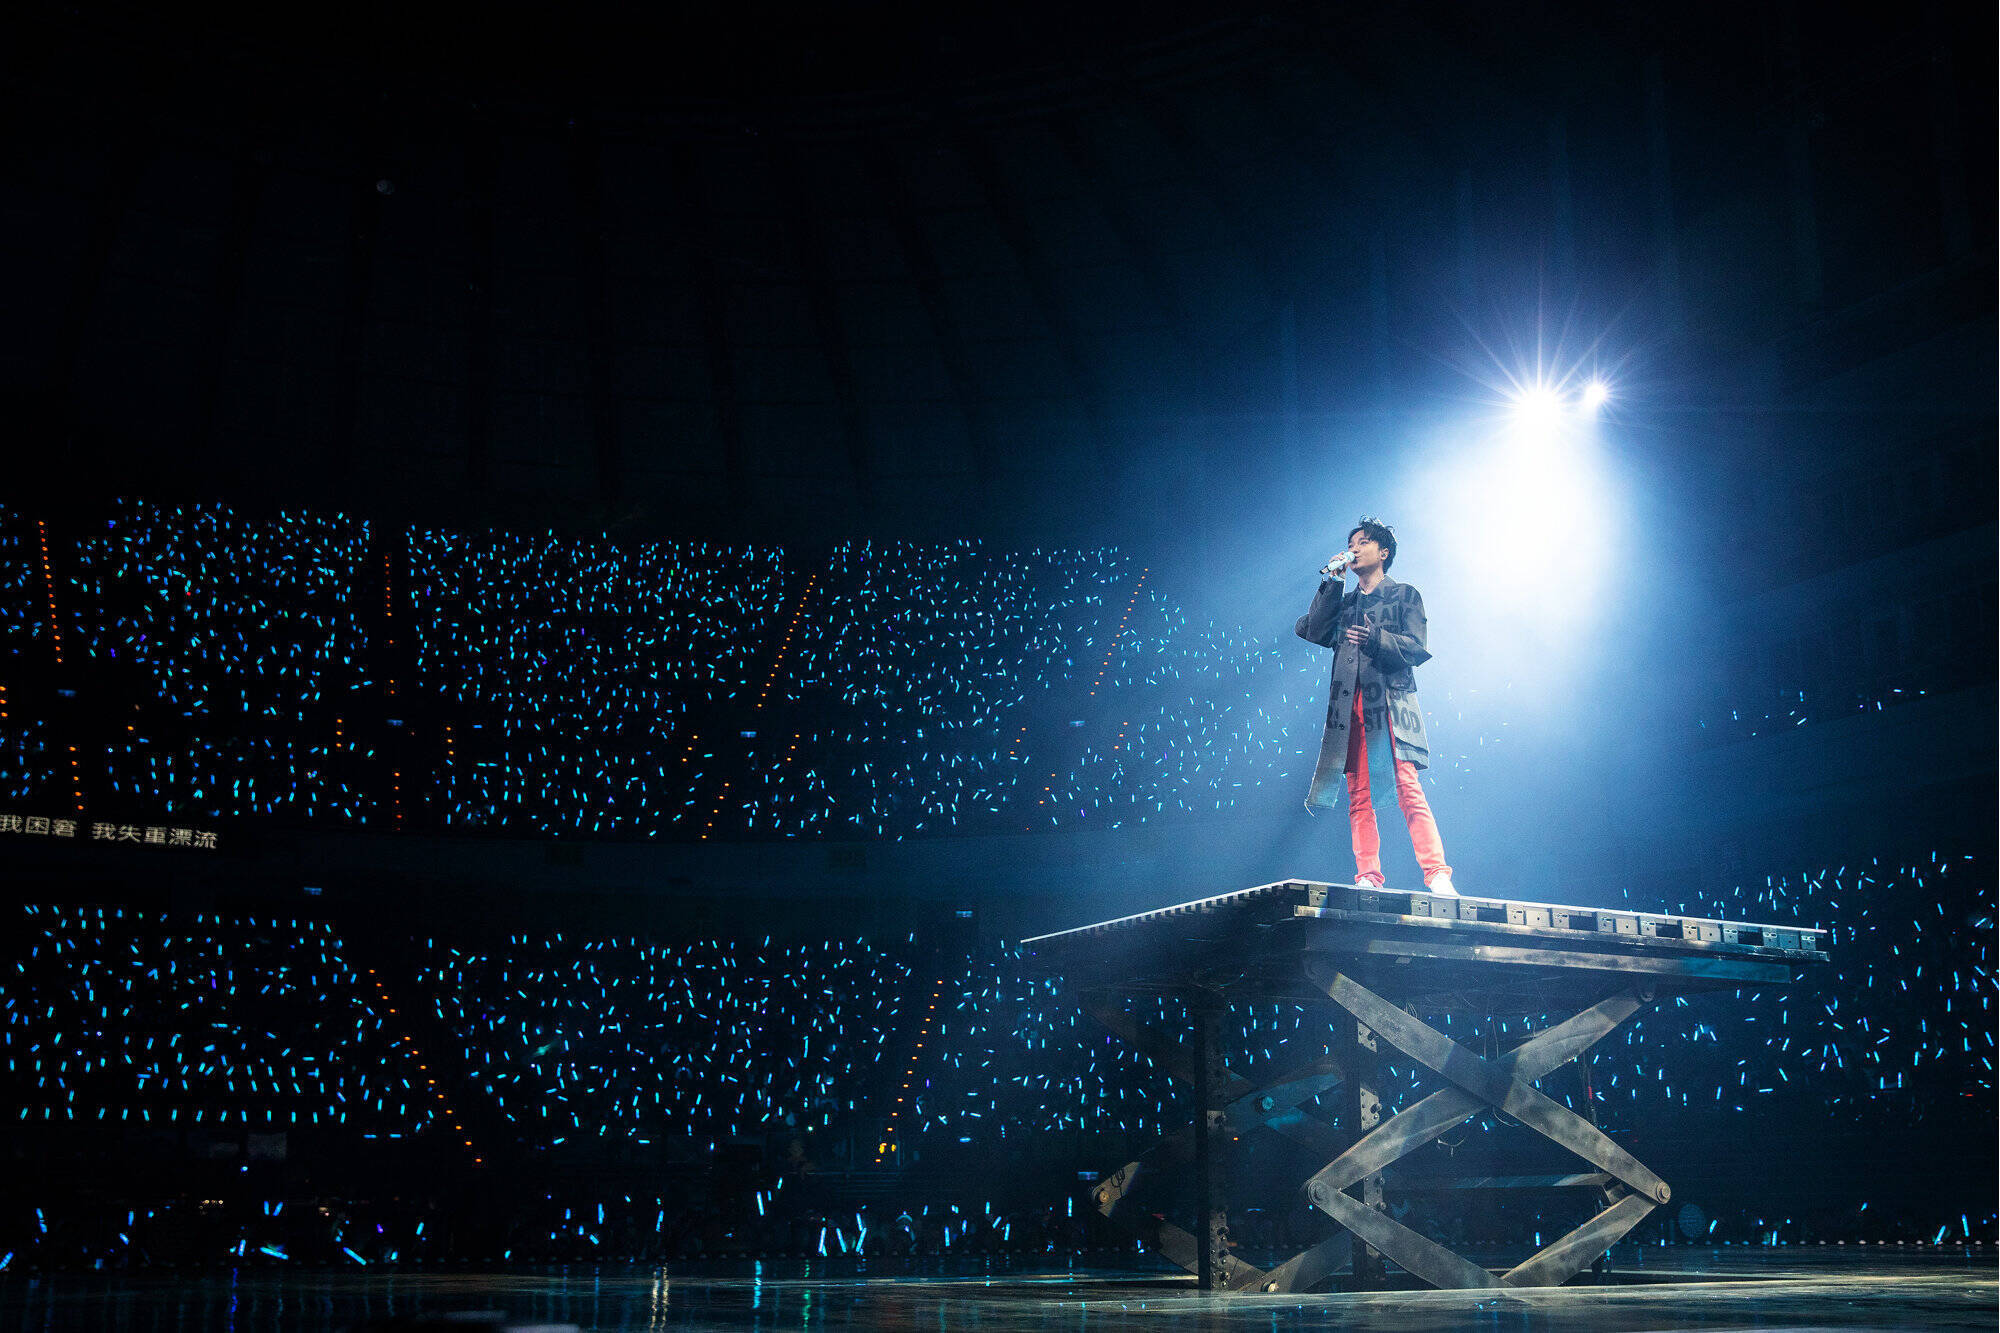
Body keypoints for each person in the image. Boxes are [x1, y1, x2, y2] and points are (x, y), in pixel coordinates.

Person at [1294, 516, 1456, 895]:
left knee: (1408, 789)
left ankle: (1437, 874)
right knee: (1359, 796)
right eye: (1350, 544)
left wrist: (1374, 639)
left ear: (1383, 552)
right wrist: (1333, 583)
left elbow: (1417, 648)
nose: (1353, 549)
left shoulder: (1404, 595)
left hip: (1390, 707)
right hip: (1349, 712)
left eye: (1363, 542)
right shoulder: (1345, 603)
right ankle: (1368, 875)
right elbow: (1311, 628)